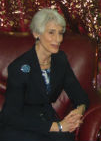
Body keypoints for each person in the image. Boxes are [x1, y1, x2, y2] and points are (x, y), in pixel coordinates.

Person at [0, 8, 89, 141]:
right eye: (51, 33)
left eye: (60, 33)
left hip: (47, 118)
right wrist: (57, 126)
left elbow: (79, 95)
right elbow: (11, 115)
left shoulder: (60, 60)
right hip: (21, 127)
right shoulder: (19, 67)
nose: (58, 39)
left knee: (65, 138)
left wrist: (78, 112)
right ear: (37, 33)